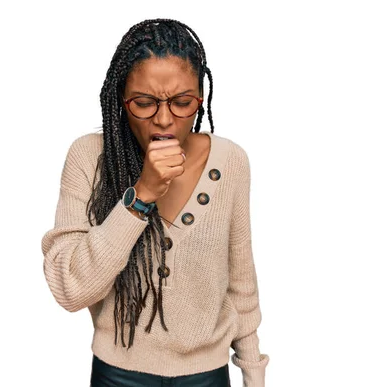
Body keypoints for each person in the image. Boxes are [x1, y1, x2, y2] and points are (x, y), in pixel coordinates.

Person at [41, 18, 269, 387]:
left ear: (201, 97)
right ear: (121, 98)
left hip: (207, 376)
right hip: (118, 376)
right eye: (144, 103)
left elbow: (241, 282)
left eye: (182, 103)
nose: (164, 120)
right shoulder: (89, 157)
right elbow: (70, 289)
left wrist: (254, 375)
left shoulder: (230, 162)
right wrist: (140, 196)